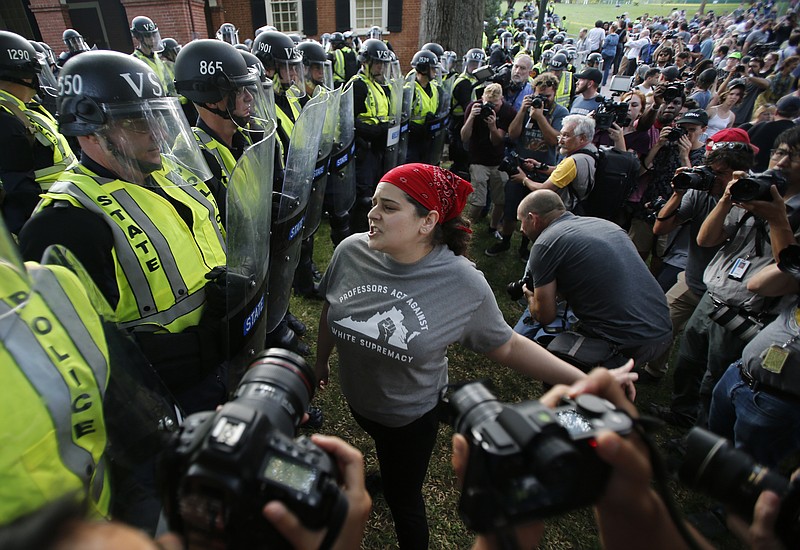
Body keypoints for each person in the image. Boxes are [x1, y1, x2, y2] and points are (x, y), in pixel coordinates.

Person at [314, 163, 635, 550]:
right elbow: (332, 311)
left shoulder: (462, 283)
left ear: (427, 221)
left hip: (408, 417)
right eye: (374, 203)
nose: (372, 214)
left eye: (389, 207)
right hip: (358, 400)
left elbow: (509, 344)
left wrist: (585, 381)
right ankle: (391, 472)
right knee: (390, 463)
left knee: (405, 499)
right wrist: (321, 360)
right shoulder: (351, 251)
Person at [18, 51, 229, 415]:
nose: (159, 134)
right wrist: (204, 342)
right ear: (89, 128)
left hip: (224, 360)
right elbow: (85, 352)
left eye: (157, 118)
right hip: (162, 399)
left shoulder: (169, 177)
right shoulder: (66, 223)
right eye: (136, 122)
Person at [653, 126, 800, 429]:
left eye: (794, 156)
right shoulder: (751, 191)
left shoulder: (792, 212)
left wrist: (776, 219)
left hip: (750, 307)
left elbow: (789, 269)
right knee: (689, 361)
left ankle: (703, 437)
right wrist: (726, 199)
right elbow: (707, 240)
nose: (782, 162)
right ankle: (682, 412)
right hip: (715, 292)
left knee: (716, 375)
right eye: (780, 152)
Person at [645, 134, 756, 384]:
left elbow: (708, 239)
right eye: (710, 170)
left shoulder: (748, 203)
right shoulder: (701, 192)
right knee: (662, 323)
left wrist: (727, 198)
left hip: (727, 294)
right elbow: (660, 229)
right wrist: (677, 194)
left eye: (720, 173)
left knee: (703, 349)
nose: (712, 178)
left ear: (741, 174)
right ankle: (653, 371)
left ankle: (696, 402)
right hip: (693, 279)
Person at [517, 190, 672, 366]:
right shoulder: (605, 225)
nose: (521, 229)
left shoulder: (546, 243)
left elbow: (545, 316)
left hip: (629, 339)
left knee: (561, 368)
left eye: (521, 221)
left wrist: (530, 297)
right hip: (662, 328)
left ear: (533, 218)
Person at [0, 31, 77, 235]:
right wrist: (38, 237)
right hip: (48, 223)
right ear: (21, 74)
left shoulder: (24, 109)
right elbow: (20, 195)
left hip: (64, 209)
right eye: (33, 71)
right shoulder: (6, 122)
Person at [493, 73, 568, 259]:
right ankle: (505, 241)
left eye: (547, 97)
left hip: (544, 170)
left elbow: (554, 141)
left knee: (536, 214)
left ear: (554, 94)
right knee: (511, 209)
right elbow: (512, 134)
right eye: (538, 96)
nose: (543, 100)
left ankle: (525, 247)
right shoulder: (526, 109)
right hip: (519, 169)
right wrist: (522, 111)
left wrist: (540, 117)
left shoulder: (560, 112)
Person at [344, 38, 392, 234]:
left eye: (383, 63)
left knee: (375, 191)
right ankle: (359, 233)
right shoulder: (358, 85)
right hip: (364, 148)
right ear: (366, 62)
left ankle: (374, 227)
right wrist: (371, 130)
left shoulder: (379, 85)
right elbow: (347, 119)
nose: (380, 67)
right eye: (377, 63)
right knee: (363, 196)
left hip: (378, 146)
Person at [460, 83, 516, 229]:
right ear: (482, 98)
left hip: (497, 159)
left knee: (501, 200)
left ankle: (493, 227)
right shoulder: (474, 107)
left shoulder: (507, 111)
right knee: (478, 201)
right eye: (488, 104)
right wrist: (471, 117)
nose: (491, 108)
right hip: (477, 159)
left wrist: (492, 127)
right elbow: (464, 137)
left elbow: (497, 141)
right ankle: (467, 228)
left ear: (502, 99)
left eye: (495, 105)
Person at [448, 48, 486, 179]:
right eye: (472, 64)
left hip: (468, 121)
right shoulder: (463, 82)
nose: (475, 68)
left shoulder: (476, 81)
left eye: (478, 65)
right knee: (461, 158)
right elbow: (467, 106)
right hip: (459, 123)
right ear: (466, 63)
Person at [747, 95, 800, 172]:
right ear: (797, 113)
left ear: (776, 111)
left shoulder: (760, 126)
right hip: (773, 175)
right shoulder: (795, 133)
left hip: (747, 170)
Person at [406, 49, 440, 165]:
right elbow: (403, 118)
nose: (435, 71)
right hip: (412, 141)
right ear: (424, 69)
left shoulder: (434, 88)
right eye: (433, 68)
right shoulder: (410, 90)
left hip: (428, 138)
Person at [130, 16, 175, 98]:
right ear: (138, 37)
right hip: (152, 105)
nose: (152, 39)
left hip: (170, 104)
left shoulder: (159, 59)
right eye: (147, 36)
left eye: (153, 35)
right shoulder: (133, 61)